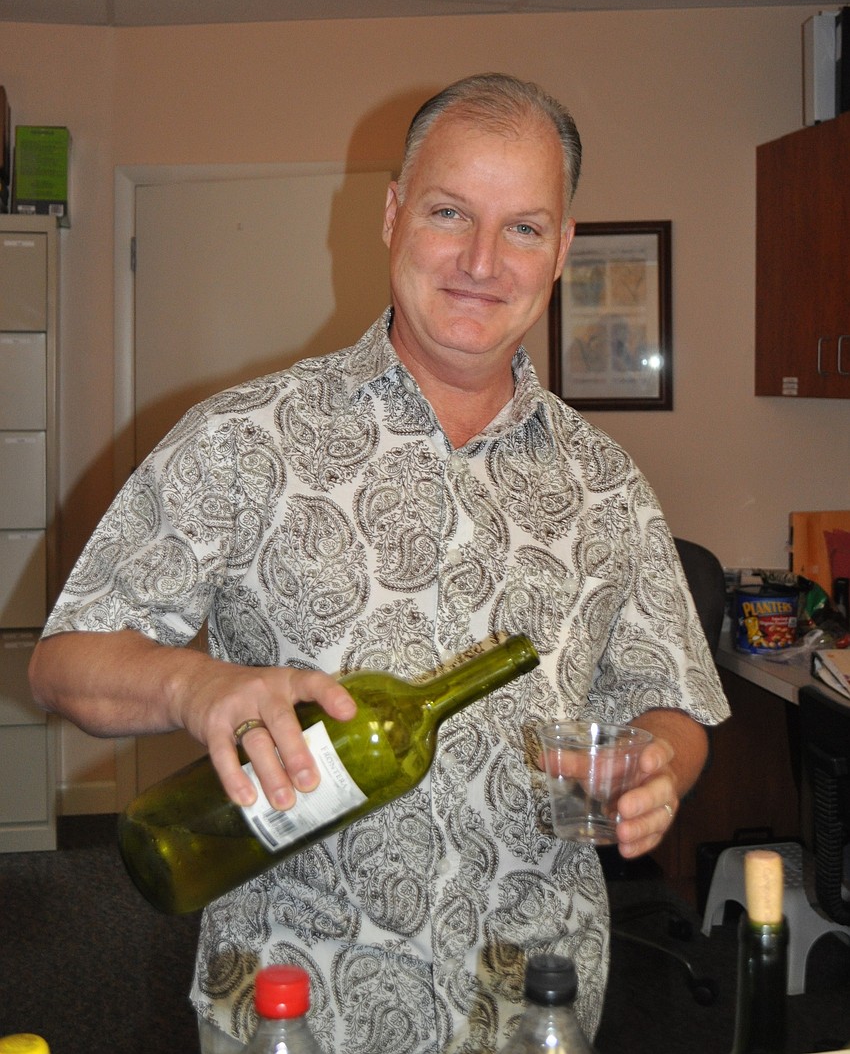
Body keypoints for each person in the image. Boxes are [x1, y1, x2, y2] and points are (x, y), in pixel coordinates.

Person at [30, 73, 730, 1054]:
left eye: (523, 228)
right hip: (296, 1003)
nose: (482, 261)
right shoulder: (244, 440)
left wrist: (660, 763)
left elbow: (673, 698)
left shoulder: (608, 483)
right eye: (450, 212)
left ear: (561, 249)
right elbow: (64, 660)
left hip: (534, 1003)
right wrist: (197, 685)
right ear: (395, 213)